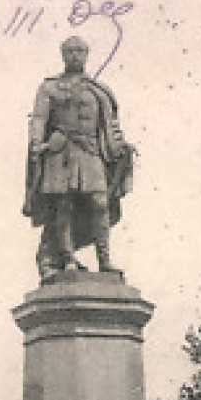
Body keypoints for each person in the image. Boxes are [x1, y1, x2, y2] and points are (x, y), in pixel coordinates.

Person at [24, 36, 133, 281]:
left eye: (80, 51)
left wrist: (119, 146)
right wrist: (36, 143)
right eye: (70, 51)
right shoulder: (49, 87)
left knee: (100, 202)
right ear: (63, 55)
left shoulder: (99, 91)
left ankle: (104, 261)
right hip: (60, 152)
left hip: (91, 151)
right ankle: (67, 258)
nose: (75, 55)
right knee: (64, 205)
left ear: (86, 55)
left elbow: (110, 124)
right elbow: (39, 118)